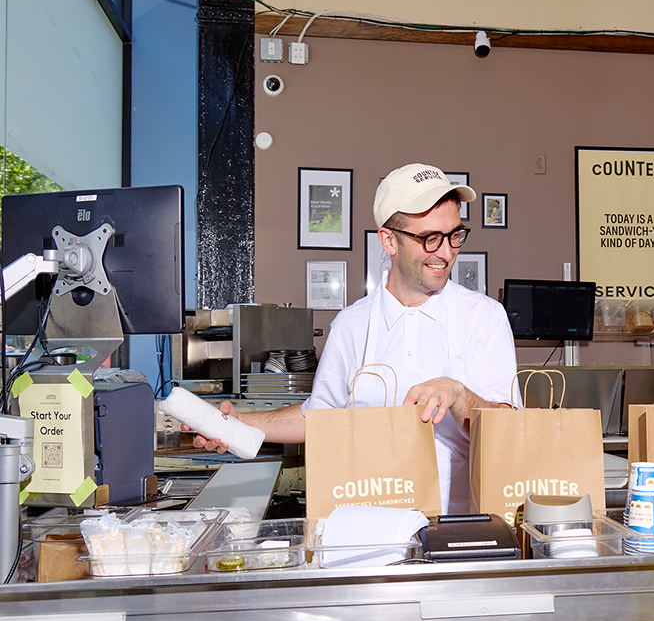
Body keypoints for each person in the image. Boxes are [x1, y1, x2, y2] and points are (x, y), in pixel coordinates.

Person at [192, 164, 520, 514]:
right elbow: (319, 417)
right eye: (429, 238)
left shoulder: (484, 317)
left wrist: (457, 394)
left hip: (461, 527)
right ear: (389, 240)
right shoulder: (350, 324)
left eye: (455, 235)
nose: (445, 252)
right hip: (370, 526)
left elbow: (507, 433)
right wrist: (242, 423)